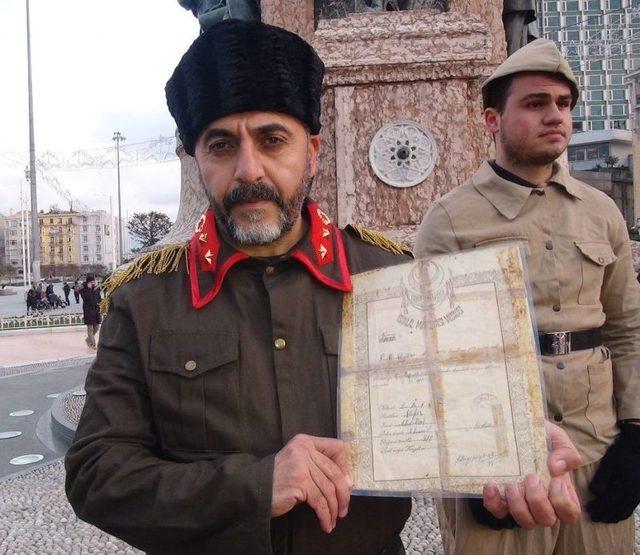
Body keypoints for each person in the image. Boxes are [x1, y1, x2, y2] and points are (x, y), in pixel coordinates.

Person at [65, 22, 581, 554]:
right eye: (221, 146)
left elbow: (454, 433)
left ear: (312, 151)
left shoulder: (392, 277)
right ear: (198, 161)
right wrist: (255, 484)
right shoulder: (146, 300)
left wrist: (511, 457)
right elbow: (96, 475)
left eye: (272, 140)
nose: (248, 170)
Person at [415, 38, 640, 554]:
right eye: (536, 103)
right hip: (501, 463)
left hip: (594, 448)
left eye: (563, 104)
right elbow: (434, 358)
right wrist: (470, 471)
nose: (554, 116)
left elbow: (628, 325)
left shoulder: (601, 211)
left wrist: (636, 433)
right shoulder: (450, 220)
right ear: (492, 120)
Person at [79, 274, 101, 349]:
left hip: (96, 310)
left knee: (96, 327)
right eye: (91, 282)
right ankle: (92, 344)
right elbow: (86, 298)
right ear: (88, 282)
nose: (93, 283)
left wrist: (101, 305)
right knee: (90, 328)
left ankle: (88, 340)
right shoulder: (83, 290)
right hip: (88, 311)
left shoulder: (96, 289)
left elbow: (99, 298)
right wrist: (88, 289)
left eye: (93, 282)